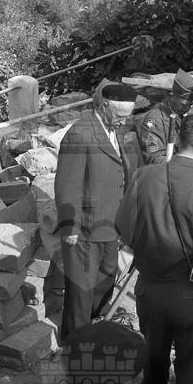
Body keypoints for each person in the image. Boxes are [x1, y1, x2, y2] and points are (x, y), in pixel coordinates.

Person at [116, 115, 193, 384]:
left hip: (148, 292)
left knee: (153, 370)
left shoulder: (143, 176)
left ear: (178, 141)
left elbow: (123, 227)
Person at [54, 80, 143, 340]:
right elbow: (67, 184)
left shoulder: (120, 131)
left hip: (110, 226)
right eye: (120, 116)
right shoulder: (80, 133)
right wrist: (70, 226)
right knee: (81, 292)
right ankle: (74, 342)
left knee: (105, 281)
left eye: (127, 116)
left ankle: (95, 329)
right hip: (84, 230)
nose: (123, 122)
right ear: (104, 107)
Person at [138, 68, 193, 164]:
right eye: (184, 104)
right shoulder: (154, 120)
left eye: (191, 105)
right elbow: (153, 158)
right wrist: (184, 162)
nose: (188, 108)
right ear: (171, 96)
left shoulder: (186, 114)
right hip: (167, 170)